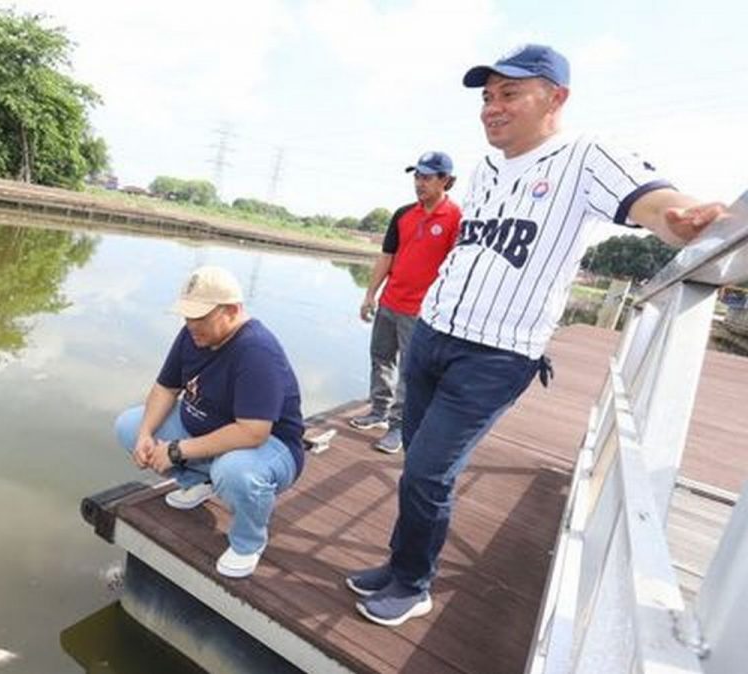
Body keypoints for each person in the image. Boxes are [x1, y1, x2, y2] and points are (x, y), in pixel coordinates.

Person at [346, 44, 728, 627]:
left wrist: (676, 217)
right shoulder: (487, 168)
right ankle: (398, 566)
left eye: (509, 94)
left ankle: (415, 584)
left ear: (555, 97)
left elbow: (650, 200)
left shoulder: (584, 155)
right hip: (433, 334)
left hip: (495, 354)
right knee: (415, 464)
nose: (492, 108)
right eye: (487, 97)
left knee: (428, 471)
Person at [115, 266, 305, 578]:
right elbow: (166, 387)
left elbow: (253, 432)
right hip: (205, 428)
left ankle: (248, 542)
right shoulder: (192, 335)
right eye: (187, 316)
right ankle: (199, 482)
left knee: (234, 472)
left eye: (200, 317)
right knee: (129, 425)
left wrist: (177, 450)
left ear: (232, 310)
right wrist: (146, 434)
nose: (191, 325)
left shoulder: (256, 350)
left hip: (270, 447)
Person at [351, 152, 462, 453]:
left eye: (427, 177)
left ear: (446, 181)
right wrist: (370, 294)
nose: (419, 183)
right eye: (417, 176)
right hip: (390, 302)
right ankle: (378, 411)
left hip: (422, 312)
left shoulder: (456, 219)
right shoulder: (402, 214)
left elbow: (458, 268)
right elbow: (387, 256)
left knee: (411, 371)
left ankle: (399, 428)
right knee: (381, 357)